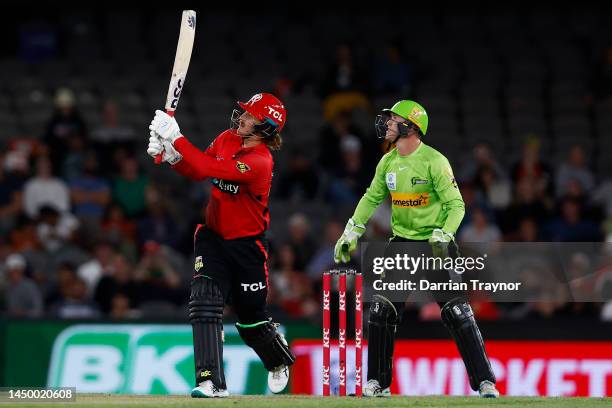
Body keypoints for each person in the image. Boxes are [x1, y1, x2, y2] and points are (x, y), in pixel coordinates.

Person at [334, 100, 499, 398]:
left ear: (411, 126)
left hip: (435, 244)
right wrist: (352, 231)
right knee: (382, 311)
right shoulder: (387, 161)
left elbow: (456, 205)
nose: (387, 124)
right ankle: (378, 383)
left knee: (457, 313)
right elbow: (371, 198)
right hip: (402, 245)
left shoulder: (435, 161)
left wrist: (445, 233)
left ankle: (485, 381)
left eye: (394, 120)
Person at [147, 93, 295, 398]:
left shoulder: (260, 162)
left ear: (265, 127)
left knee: (250, 319)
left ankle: (278, 360)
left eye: (250, 116)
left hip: (247, 247)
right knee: (204, 303)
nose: (241, 118)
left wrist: (176, 137)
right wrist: (171, 156)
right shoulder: (227, 138)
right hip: (213, 237)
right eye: (244, 113)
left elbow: (208, 169)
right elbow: (196, 169)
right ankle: (210, 382)